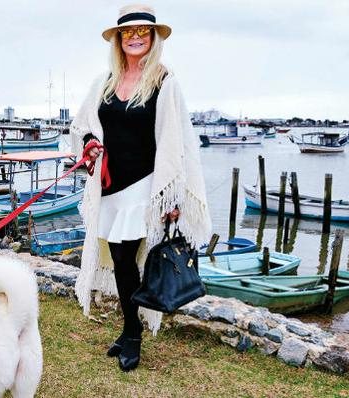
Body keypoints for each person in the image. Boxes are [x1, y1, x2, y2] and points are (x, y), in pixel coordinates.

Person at [69, 4, 212, 372]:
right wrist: (88, 142)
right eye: (128, 32)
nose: (135, 37)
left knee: (131, 261)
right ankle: (130, 328)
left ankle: (133, 334)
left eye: (142, 32)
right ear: (118, 39)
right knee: (120, 261)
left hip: (145, 187)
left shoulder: (165, 81)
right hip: (110, 186)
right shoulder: (105, 80)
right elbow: (82, 123)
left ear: (153, 38)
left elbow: (176, 141)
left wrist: (173, 195)